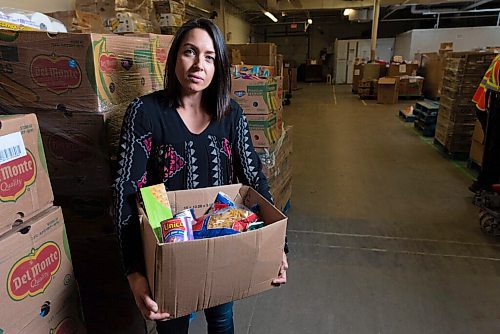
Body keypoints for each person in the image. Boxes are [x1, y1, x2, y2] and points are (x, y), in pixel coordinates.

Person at [113, 17, 289, 334]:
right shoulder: (146, 113)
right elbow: (127, 192)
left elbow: (254, 179)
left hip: (221, 240)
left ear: (218, 65)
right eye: (189, 52)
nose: (199, 65)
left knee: (221, 320)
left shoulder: (231, 115)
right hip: (170, 251)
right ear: (174, 57)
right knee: (174, 326)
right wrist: (135, 273)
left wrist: (278, 247)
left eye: (209, 57)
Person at [469, 54, 500, 193]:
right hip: (490, 105)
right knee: (494, 146)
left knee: (493, 146)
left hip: (487, 103)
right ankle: (486, 182)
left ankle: (485, 181)